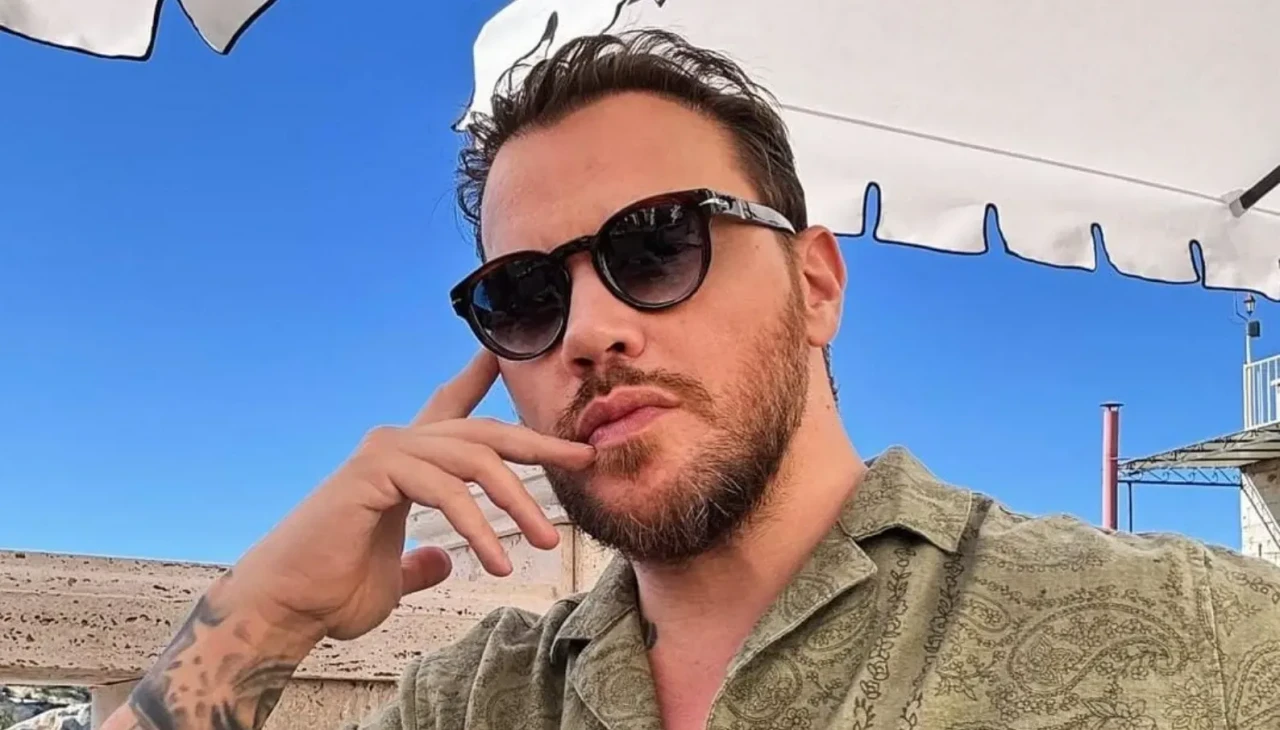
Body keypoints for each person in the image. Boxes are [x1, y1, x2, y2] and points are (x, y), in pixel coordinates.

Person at [102, 29, 1280, 730]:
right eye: (525, 294)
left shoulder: (1194, 637)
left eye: (656, 244)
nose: (588, 331)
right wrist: (269, 614)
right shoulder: (478, 703)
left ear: (815, 284)